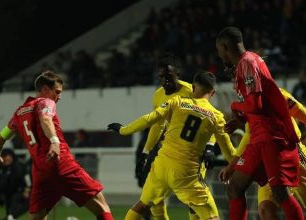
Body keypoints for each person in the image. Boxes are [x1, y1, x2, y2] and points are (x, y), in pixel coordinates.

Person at [108, 71, 236, 220]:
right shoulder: (216, 116)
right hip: (186, 172)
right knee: (211, 215)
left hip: (161, 166)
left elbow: (150, 118)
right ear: (212, 92)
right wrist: (243, 167)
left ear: (193, 87)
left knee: (142, 205)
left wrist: (123, 130)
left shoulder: (177, 102)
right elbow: (229, 151)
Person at [0, 71, 114, 220]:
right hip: (61, 163)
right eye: (57, 92)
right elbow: (46, 119)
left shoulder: (19, 113)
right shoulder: (46, 102)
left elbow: (0, 138)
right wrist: (54, 142)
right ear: (45, 90)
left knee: (37, 218)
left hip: (41, 172)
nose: (59, 96)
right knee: (101, 206)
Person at [216, 26, 304, 219]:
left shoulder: (247, 62)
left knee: (281, 194)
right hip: (259, 139)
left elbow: (255, 104)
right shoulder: (247, 63)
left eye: (219, 51)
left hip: (272, 138)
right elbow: (259, 108)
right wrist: (241, 121)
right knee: (235, 188)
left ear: (224, 46)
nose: (220, 56)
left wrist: (235, 106)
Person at [135, 55, 217, 220]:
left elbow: (210, 120)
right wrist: (145, 152)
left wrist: (209, 147)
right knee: (153, 197)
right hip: (168, 151)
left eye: (168, 76)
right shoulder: (158, 96)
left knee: (193, 203)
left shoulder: (191, 91)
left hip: (191, 155)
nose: (165, 80)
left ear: (177, 74)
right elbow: (157, 125)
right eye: (161, 77)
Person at [221, 87, 306, 219]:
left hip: (291, 154)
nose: (234, 84)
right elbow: (249, 136)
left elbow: (302, 112)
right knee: (266, 209)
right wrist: (231, 166)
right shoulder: (249, 103)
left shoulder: (276, 93)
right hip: (267, 159)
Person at [0, 148, 27, 220]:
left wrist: (27, 189)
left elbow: (25, 177)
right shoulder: (0, 168)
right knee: (9, 212)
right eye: (4, 158)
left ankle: (10, 216)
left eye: (7, 157)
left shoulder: (18, 166)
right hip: (6, 193)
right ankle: (10, 216)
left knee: (13, 210)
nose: (6, 160)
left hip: (18, 192)